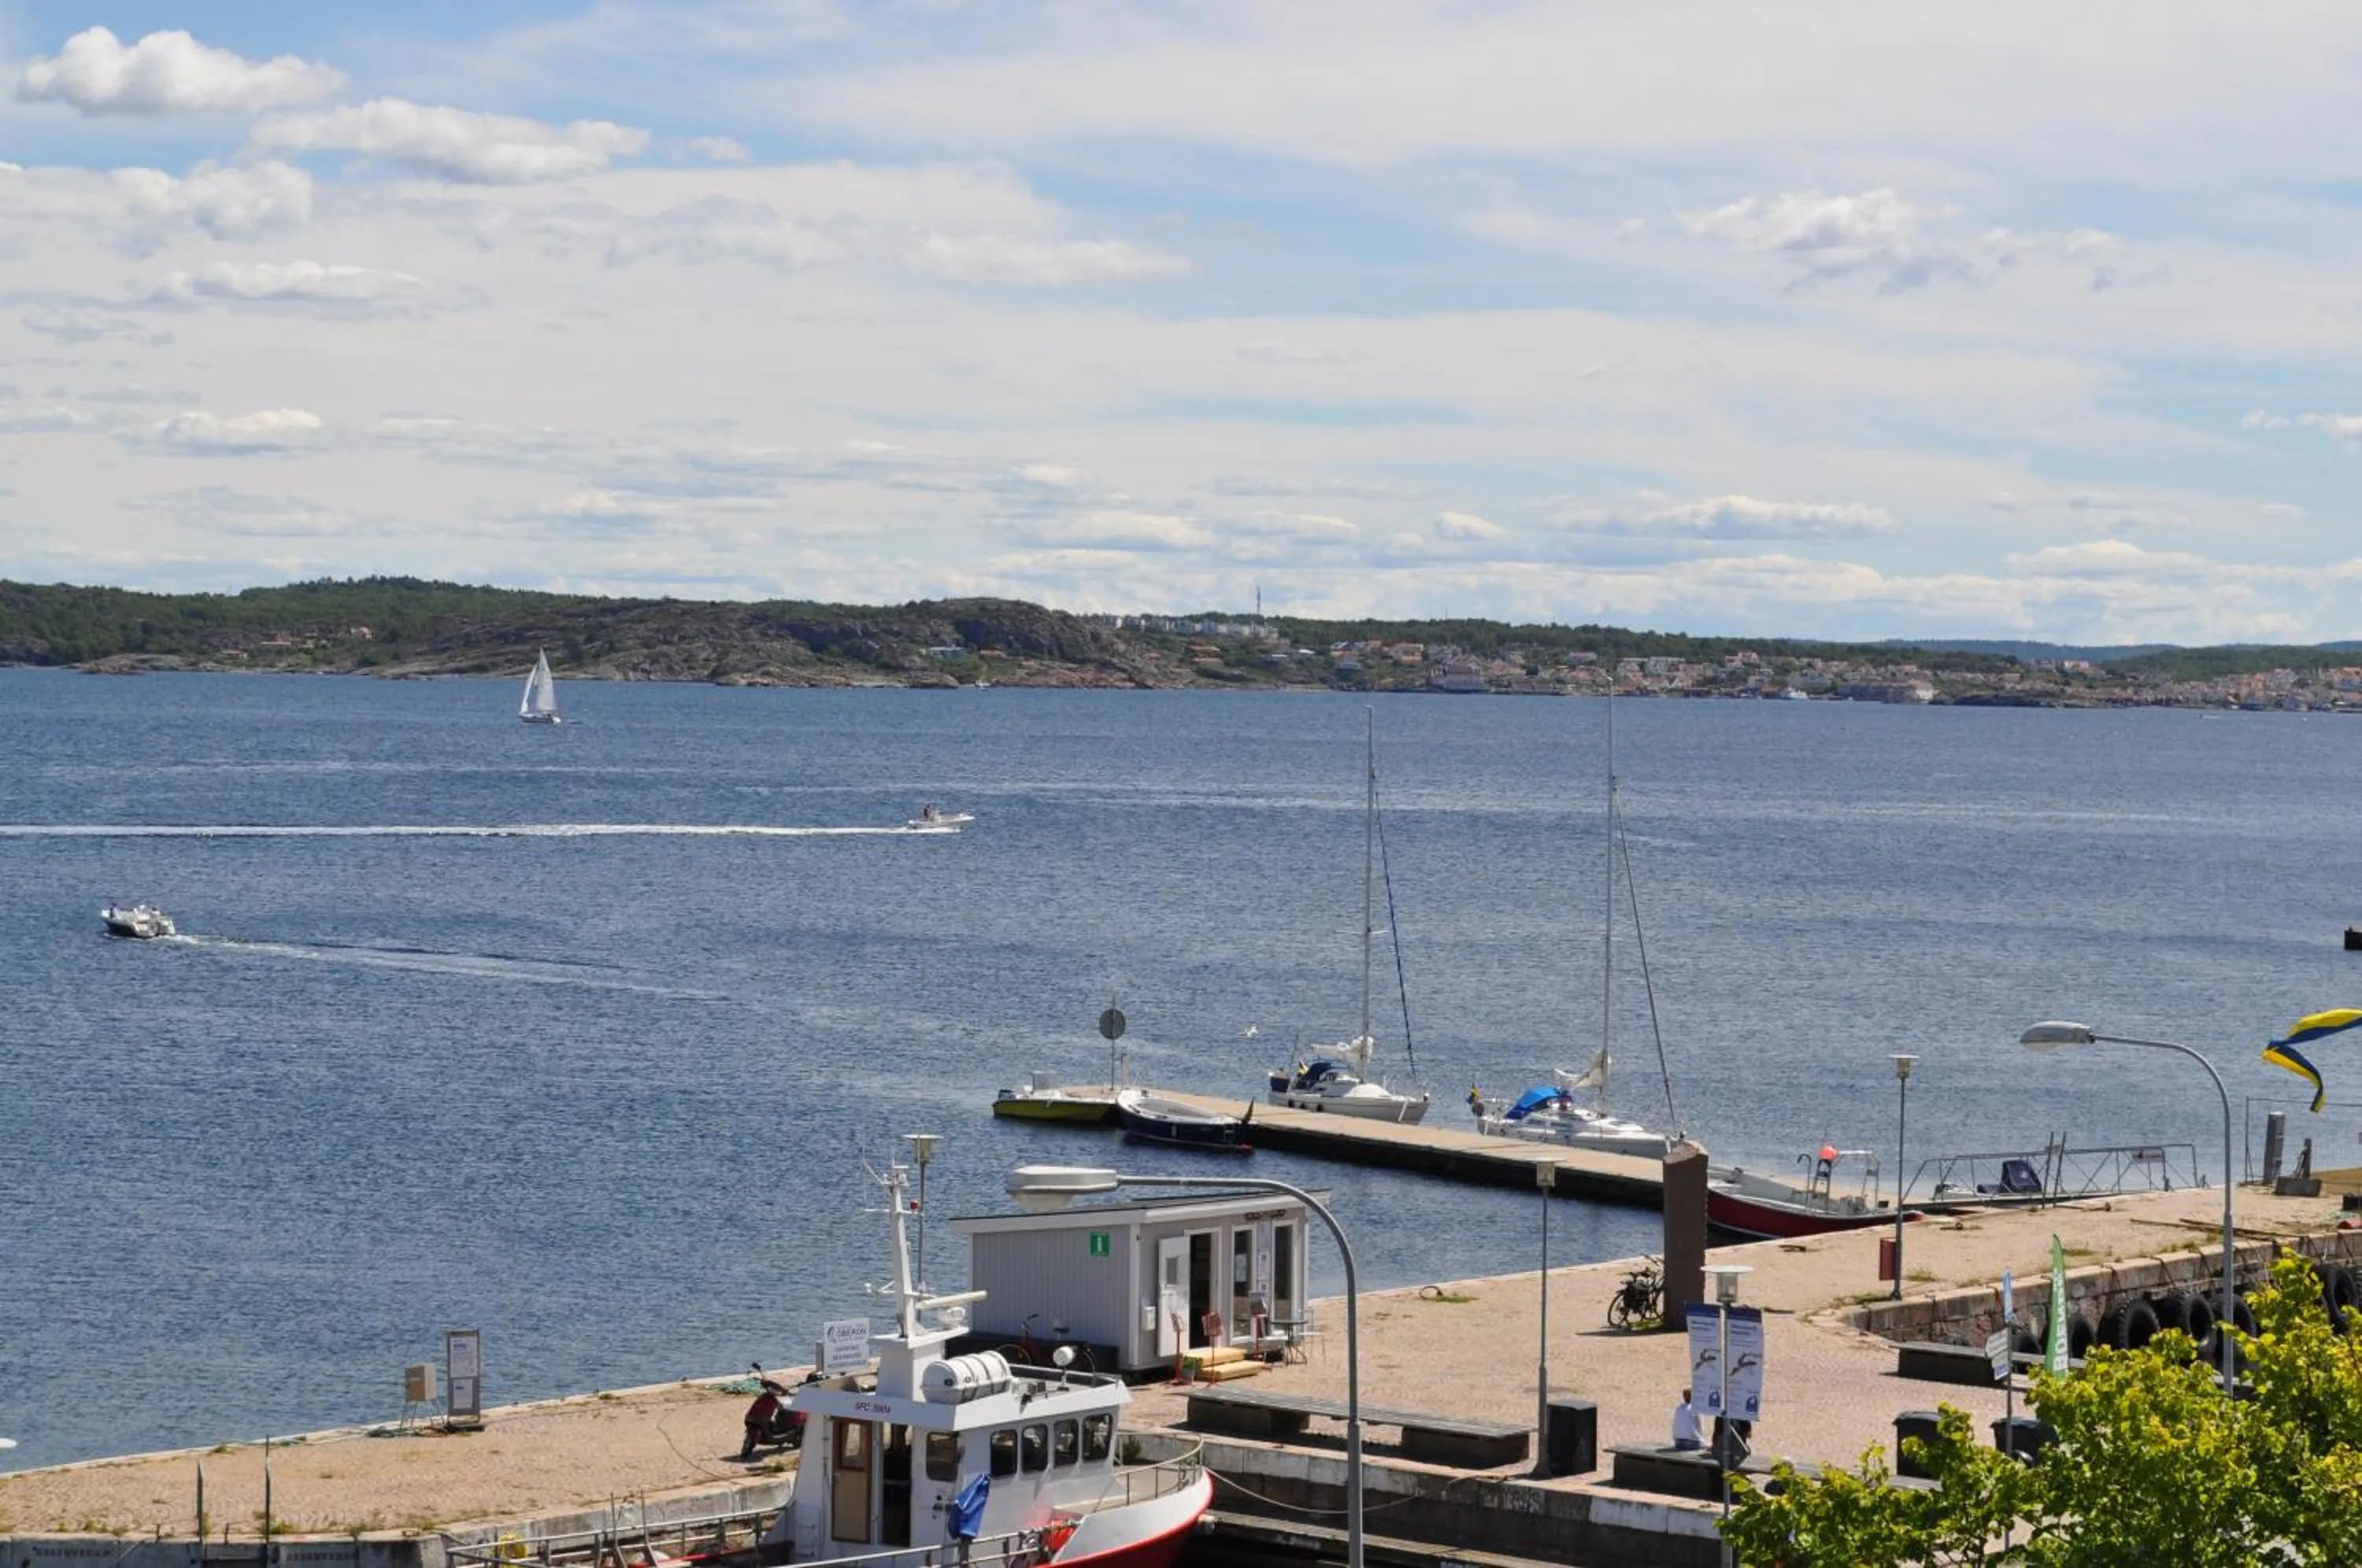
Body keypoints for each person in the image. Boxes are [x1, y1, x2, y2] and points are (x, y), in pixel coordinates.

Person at [1671, 1388, 1702, 1452]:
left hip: (1678, 1442)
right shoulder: (1694, 1408)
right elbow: (1699, 1427)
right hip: (1690, 1443)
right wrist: (1701, 1440)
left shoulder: (1678, 1409)